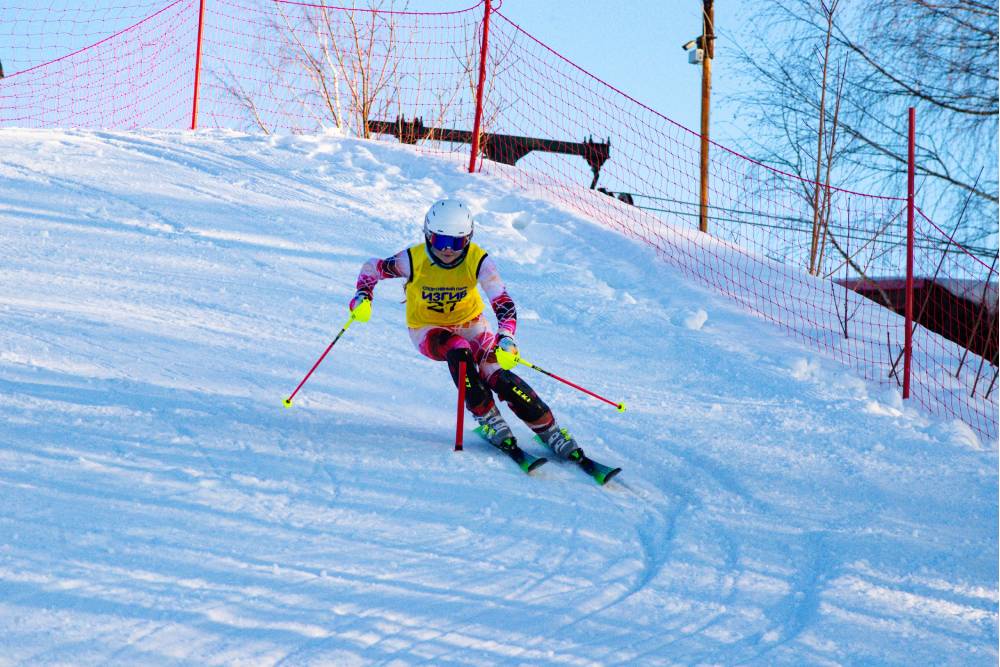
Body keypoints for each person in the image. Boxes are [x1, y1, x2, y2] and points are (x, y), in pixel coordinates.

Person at [348, 199, 581, 460]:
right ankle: (488, 417)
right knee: (459, 351)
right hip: (428, 329)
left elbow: (502, 302)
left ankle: (550, 430)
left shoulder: (478, 260)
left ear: (468, 238)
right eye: (439, 241)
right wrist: (362, 296)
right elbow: (372, 268)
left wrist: (506, 338)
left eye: (457, 242)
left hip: (470, 323)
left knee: (497, 373)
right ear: (427, 235)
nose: (447, 249)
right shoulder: (412, 260)